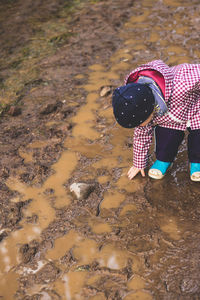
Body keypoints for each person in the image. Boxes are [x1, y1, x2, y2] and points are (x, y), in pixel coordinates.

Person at [112, 60, 200, 181]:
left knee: (198, 136)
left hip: (196, 108)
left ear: (149, 109)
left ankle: (197, 162)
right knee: (166, 136)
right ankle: (164, 159)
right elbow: (141, 137)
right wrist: (139, 164)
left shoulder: (183, 83)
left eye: (140, 123)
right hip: (170, 118)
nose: (139, 126)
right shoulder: (141, 108)